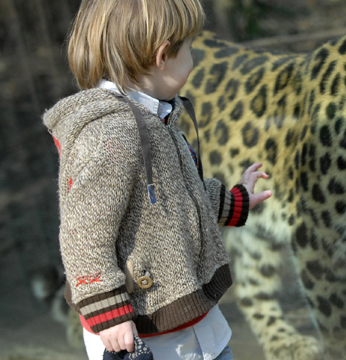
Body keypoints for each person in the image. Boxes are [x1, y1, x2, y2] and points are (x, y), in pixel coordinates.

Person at [42, 1, 271, 359]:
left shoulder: (155, 116)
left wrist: (234, 201)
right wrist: (110, 313)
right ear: (163, 55)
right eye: (190, 48)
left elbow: (172, 197)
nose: (193, 60)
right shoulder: (112, 135)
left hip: (185, 314)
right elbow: (82, 234)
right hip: (146, 333)